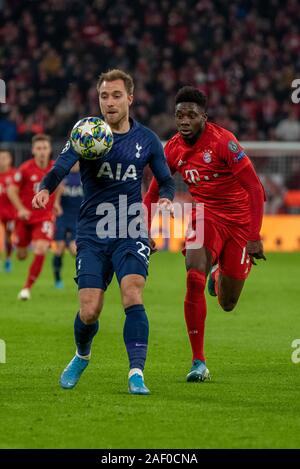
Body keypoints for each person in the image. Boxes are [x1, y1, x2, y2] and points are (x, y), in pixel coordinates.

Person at [32, 69, 175, 395]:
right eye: (103, 96)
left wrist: (166, 198)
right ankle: (82, 355)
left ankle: (136, 372)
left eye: (116, 95)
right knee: (90, 309)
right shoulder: (85, 132)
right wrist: (45, 189)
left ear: (130, 98)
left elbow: (165, 179)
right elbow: (59, 168)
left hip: (130, 228)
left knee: (132, 293)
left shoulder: (147, 139)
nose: (109, 102)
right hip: (92, 232)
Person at [144, 86, 266, 382]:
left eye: (191, 115)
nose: (184, 120)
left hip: (238, 223)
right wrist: (143, 231)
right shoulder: (172, 148)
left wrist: (253, 236)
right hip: (205, 216)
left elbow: (254, 188)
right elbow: (152, 192)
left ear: (204, 117)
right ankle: (198, 361)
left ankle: (218, 276)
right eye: (179, 115)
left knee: (227, 303)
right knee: (192, 275)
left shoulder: (224, 142)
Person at [7, 134, 55, 300]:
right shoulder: (25, 169)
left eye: (45, 148)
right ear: (33, 150)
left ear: (49, 150)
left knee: (41, 248)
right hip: (25, 218)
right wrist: (20, 209)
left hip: (44, 218)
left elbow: (60, 187)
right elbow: (11, 190)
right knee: (21, 255)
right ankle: (18, 249)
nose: (42, 151)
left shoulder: (55, 169)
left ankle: (27, 288)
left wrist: (57, 204)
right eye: (39, 148)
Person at [52, 161, 83, 289]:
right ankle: (58, 279)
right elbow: (54, 198)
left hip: (78, 219)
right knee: (59, 249)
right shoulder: (62, 176)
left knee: (75, 250)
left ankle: (81, 279)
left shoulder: (84, 176)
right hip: (63, 218)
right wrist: (57, 204)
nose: (74, 164)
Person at [0, 149, 16, 272]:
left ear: (10, 160)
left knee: (9, 238)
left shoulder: (15, 175)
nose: (2, 160)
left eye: (4, 158)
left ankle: (8, 259)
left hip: (11, 213)